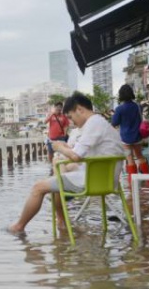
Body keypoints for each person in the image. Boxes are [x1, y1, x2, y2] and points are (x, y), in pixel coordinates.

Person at [8, 93, 125, 233]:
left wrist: (59, 147)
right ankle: (62, 221)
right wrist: (65, 149)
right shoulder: (101, 123)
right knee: (58, 177)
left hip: (93, 182)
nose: (71, 122)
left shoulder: (93, 123)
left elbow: (75, 157)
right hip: (108, 180)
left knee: (38, 188)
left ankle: (18, 227)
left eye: (71, 116)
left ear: (80, 109)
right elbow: (79, 153)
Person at [111, 84, 149, 180]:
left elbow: (114, 122)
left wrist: (114, 115)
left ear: (121, 95)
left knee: (130, 159)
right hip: (137, 136)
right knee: (140, 156)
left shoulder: (119, 109)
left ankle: (132, 183)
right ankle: (148, 180)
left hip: (125, 138)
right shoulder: (137, 106)